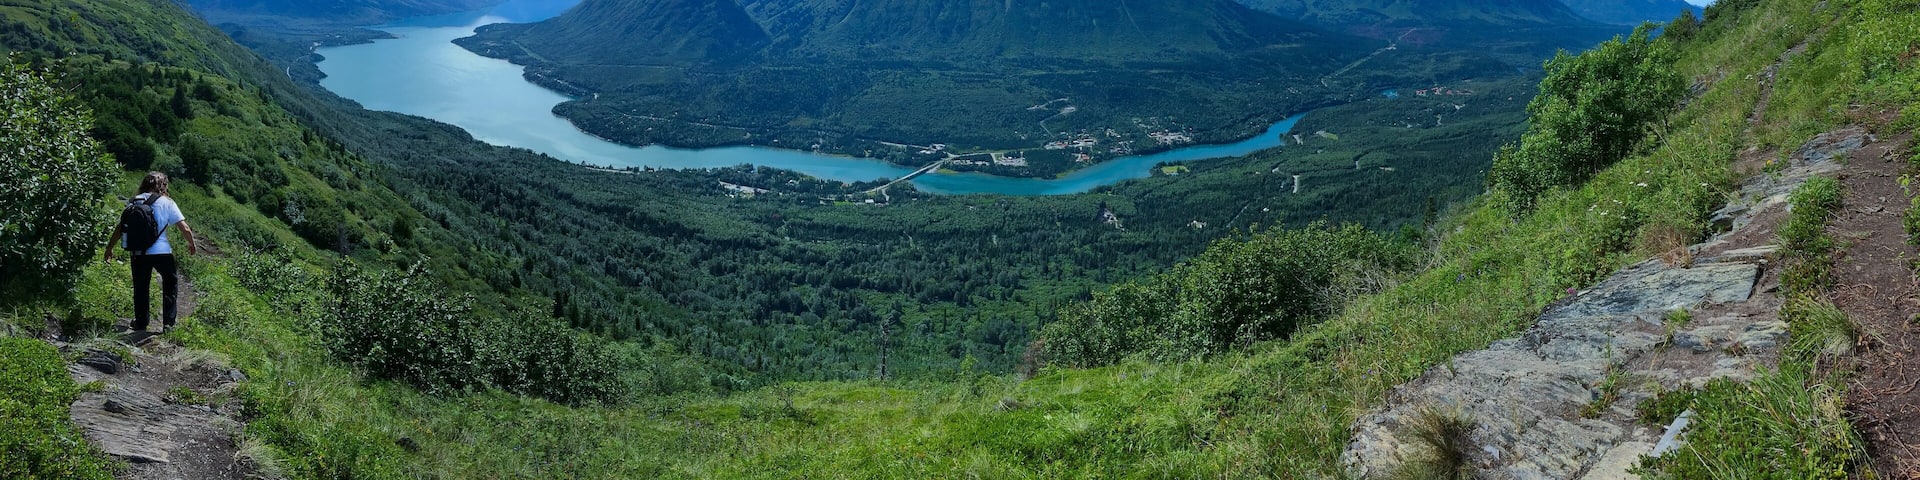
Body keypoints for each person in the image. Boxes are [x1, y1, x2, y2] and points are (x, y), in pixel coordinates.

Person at [104, 172, 198, 334]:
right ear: (163, 186)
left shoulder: (134, 201)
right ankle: (168, 325)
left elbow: (120, 228)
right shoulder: (167, 202)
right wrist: (191, 243)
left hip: (138, 251)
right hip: (161, 252)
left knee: (141, 286)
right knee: (170, 283)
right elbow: (185, 227)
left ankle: (141, 322)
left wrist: (109, 248)